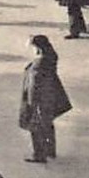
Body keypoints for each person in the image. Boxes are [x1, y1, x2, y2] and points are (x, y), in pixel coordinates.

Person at [20, 34, 73, 162]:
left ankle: (39, 154)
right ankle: (50, 150)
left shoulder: (40, 63)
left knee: (36, 127)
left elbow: (34, 85)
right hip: (50, 97)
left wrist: (32, 104)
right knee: (47, 124)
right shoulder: (50, 56)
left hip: (40, 100)